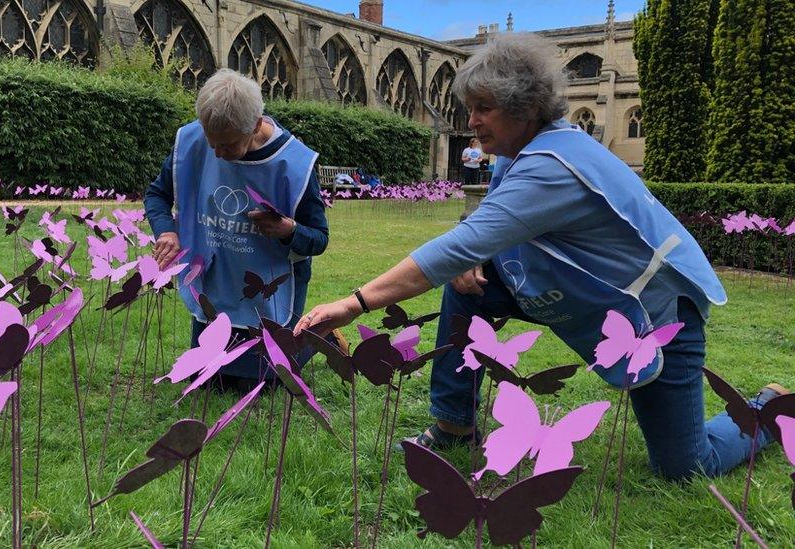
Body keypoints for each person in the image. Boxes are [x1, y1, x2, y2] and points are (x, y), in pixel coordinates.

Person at [294, 33, 787, 480]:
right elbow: (483, 227)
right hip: (581, 294)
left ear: (524, 108)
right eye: (469, 107)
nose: (470, 121)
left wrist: (355, 302)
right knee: (468, 286)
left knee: (685, 467)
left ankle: (766, 408)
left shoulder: (553, 167)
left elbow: (457, 246)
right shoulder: (517, 151)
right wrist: (472, 249)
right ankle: (454, 425)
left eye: (483, 107)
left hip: (655, 312)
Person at [145, 68, 332, 391]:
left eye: (228, 145)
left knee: (262, 387)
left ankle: (314, 339)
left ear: (256, 124)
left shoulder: (296, 164)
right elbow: (157, 195)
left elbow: (319, 238)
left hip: (267, 292)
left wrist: (289, 229)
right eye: (211, 141)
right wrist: (167, 231)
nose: (217, 153)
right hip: (216, 281)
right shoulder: (192, 140)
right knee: (209, 384)